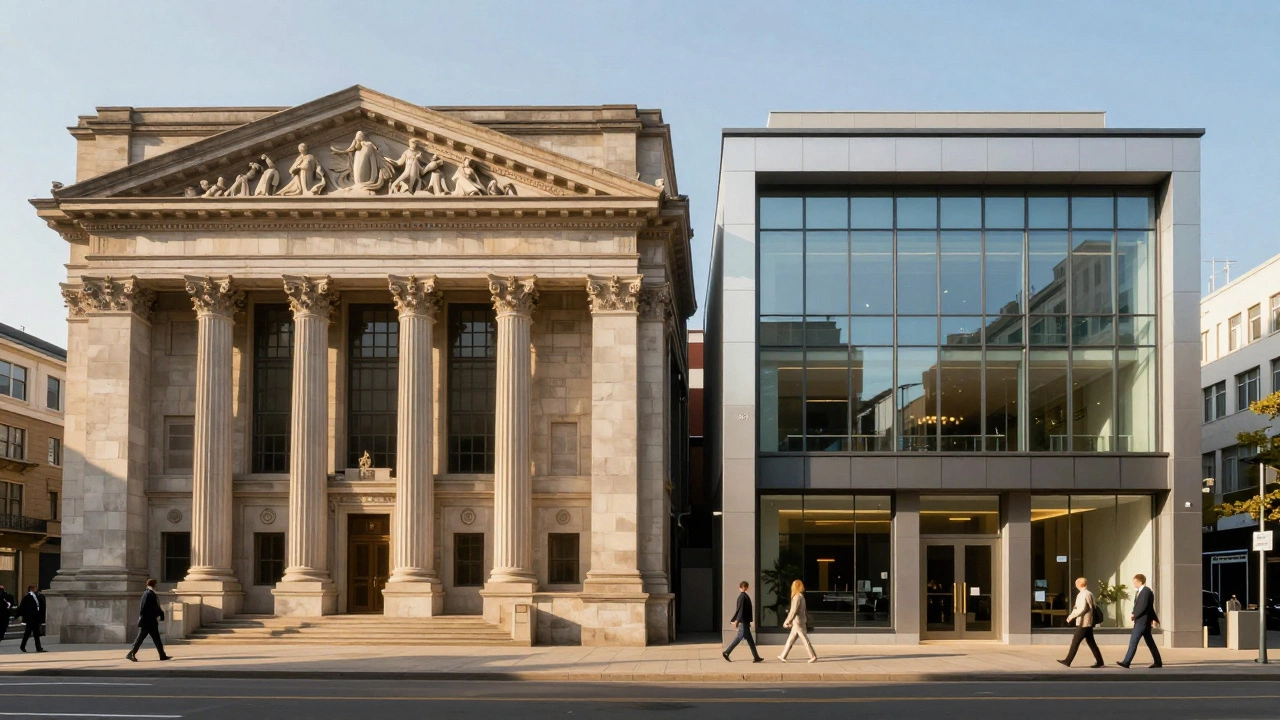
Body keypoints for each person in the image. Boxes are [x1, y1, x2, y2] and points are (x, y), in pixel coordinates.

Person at [1117, 573, 1162, 669]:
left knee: (1134, 641)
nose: (1134, 584)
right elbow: (1145, 607)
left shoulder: (1146, 591)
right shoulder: (1141, 592)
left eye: (1135, 582)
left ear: (1140, 581)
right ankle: (1158, 662)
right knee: (1150, 642)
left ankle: (1126, 661)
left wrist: (1134, 614)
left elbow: (1144, 606)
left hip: (1142, 621)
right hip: (1143, 620)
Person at [1057, 577, 1103, 668]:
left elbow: (1081, 608)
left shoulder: (1083, 595)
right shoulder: (1089, 593)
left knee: (1075, 641)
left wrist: (1071, 617)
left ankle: (1068, 661)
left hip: (1084, 622)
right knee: (1091, 642)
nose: (1075, 585)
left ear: (1079, 584)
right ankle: (1100, 661)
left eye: (1076, 583)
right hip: (1089, 621)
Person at [126, 579, 171, 662]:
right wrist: (142, 617)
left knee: (157, 639)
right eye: (156, 584)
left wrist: (161, 614)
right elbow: (143, 607)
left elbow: (155, 607)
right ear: (154, 585)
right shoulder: (147, 593)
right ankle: (131, 653)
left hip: (151, 621)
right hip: (147, 621)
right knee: (140, 638)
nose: (157, 586)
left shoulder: (151, 593)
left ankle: (162, 655)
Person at [722, 580, 764, 663]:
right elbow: (740, 610)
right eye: (745, 587)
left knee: (750, 640)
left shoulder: (742, 596)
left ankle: (756, 657)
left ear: (739, 587)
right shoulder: (743, 597)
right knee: (739, 638)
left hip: (745, 621)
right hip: (744, 621)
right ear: (747, 587)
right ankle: (727, 652)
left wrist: (736, 620)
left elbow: (739, 610)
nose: (745, 588)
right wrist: (737, 621)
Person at [777, 579, 817, 663]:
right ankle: (783, 655)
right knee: (791, 639)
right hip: (800, 621)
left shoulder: (797, 597)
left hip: (798, 622)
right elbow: (804, 610)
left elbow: (794, 611)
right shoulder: (801, 596)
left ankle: (812, 656)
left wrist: (788, 621)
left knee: (804, 640)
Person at [16, 585, 44, 652]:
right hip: (30, 619)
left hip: (35, 618)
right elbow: (22, 607)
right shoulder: (27, 597)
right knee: (28, 633)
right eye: (34, 588)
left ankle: (38, 648)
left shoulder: (36, 597)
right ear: (31, 589)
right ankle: (23, 646)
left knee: (35, 634)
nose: (36, 590)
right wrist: (17, 615)